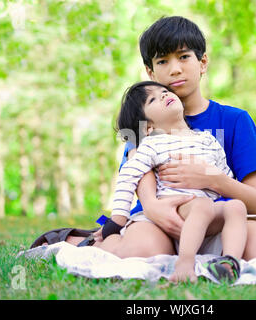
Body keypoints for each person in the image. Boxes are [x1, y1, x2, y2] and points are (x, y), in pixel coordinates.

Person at [29, 16, 256, 268]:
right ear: (150, 73)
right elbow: (139, 186)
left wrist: (210, 178)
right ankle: (88, 239)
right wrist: (156, 212)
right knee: (143, 253)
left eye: (184, 57)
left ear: (203, 62)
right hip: (158, 220)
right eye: (163, 61)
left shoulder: (235, 120)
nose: (175, 69)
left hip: (220, 218)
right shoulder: (144, 126)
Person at [92, 81, 247, 283]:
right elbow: (129, 176)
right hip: (175, 210)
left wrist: (220, 184)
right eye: (153, 99)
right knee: (202, 206)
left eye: (164, 91)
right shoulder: (152, 144)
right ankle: (185, 263)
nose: (164, 95)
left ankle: (228, 264)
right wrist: (117, 220)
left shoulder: (208, 140)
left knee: (236, 207)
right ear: (148, 127)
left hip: (206, 211)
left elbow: (224, 176)